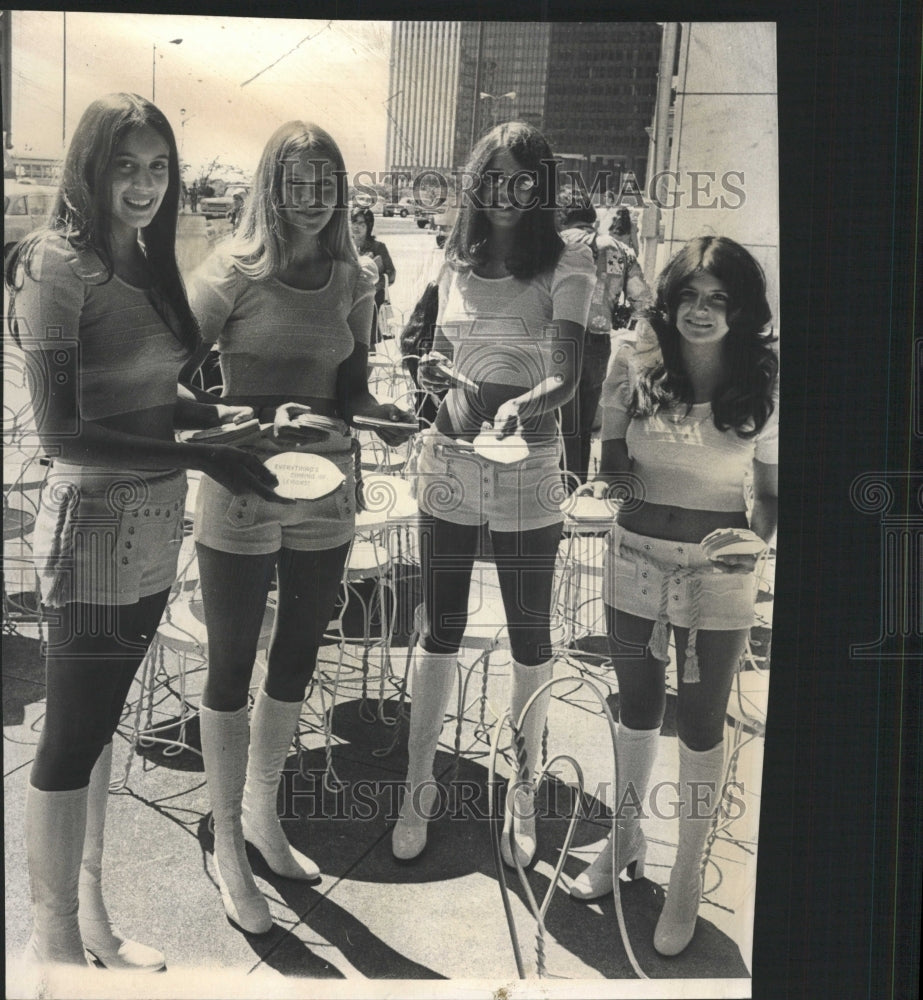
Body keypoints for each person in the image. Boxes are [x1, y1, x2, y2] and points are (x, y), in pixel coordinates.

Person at [4, 93, 281, 970]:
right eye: (125, 165)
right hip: (91, 525)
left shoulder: (148, 257)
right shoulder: (55, 264)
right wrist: (203, 458)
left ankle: (91, 918)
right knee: (70, 738)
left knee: (100, 731)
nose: (144, 184)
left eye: (157, 166)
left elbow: (157, 391)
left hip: (155, 523)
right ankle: (50, 945)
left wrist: (230, 420)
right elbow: (58, 433)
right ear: (90, 166)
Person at [181, 121, 415, 934]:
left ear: (340, 192)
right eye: (296, 182)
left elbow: (347, 386)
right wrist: (242, 420)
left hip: (327, 489)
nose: (312, 200)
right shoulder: (231, 271)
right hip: (243, 485)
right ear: (269, 186)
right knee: (230, 663)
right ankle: (229, 853)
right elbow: (170, 378)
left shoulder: (354, 277)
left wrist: (382, 416)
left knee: (297, 657)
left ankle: (261, 817)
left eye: (325, 185)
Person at [391, 121, 595, 866]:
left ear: (542, 188)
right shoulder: (453, 261)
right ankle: (418, 784)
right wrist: (433, 375)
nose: (508, 192)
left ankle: (522, 790)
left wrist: (521, 405)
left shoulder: (568, 266)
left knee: (529, 635)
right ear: (475, 183)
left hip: (528, 465)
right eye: (494, 177)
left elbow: (566, 377)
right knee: (439, 627)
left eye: (524, 179)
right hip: (449, 458)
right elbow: (433, 355)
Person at [569, 236, 779, 958]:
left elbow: (772, 496)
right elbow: (614, 464)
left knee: (698, 719)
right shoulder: (636, 358)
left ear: (741, 309)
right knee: (633, 706)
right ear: (669, 300)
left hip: (717, 574)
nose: (700, 311)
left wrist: (752, 550)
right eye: (688, 295)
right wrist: (606, 489)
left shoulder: (765, 377)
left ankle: (685, 872)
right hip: (631, 555)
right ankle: (624, 838)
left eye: (718, 299)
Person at [557, 202, 653, 487]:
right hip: (598, 345)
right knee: (585, 426)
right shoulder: (620, 251)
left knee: (560, 424)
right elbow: (643, 301)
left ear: (562, 219)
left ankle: (556, 492)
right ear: (593, 220)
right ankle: (576, 489)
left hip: (559, 341)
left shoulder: (557, 243)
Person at [349, 205, 396, 347]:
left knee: (368, 342)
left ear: (369, 226)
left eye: (361, 223)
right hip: (348, 300)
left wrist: (375, 286)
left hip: (371, 302)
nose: (357, 227)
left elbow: (392, 274)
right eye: (354, 222)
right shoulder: (345, 244)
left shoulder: (378, 247)